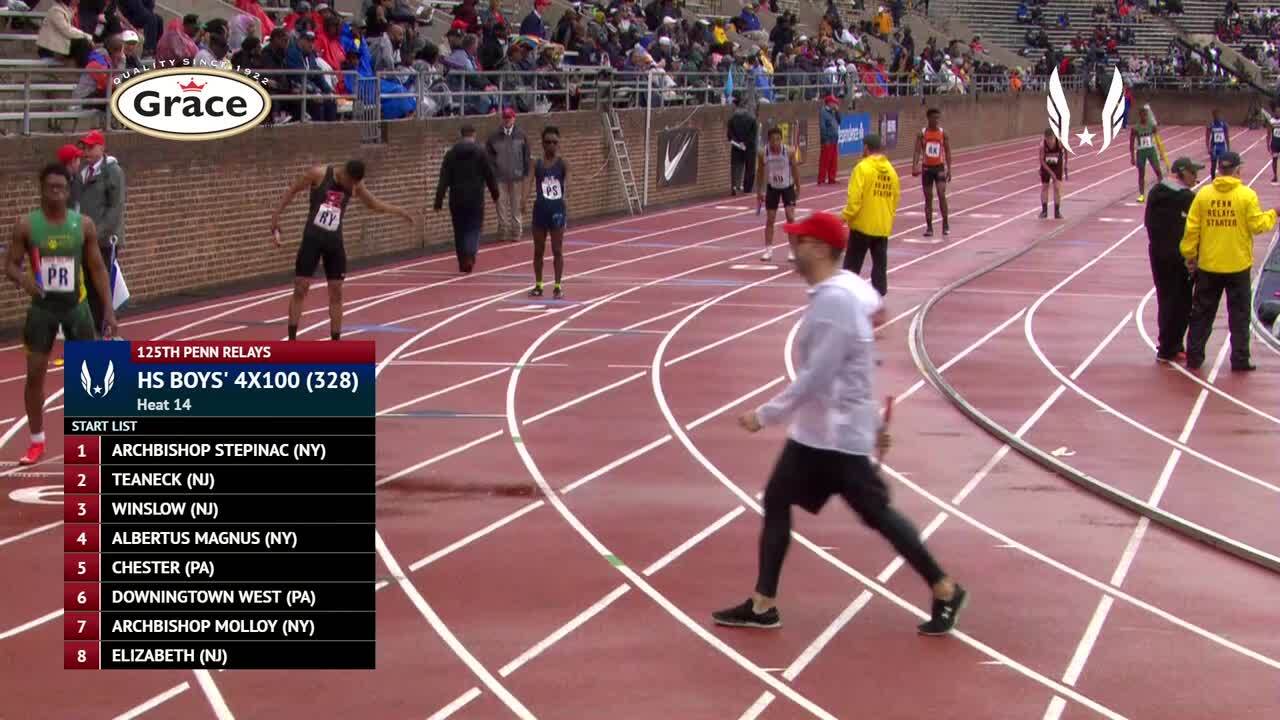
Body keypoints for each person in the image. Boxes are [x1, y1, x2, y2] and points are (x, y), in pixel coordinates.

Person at [712, 210, 967, 635]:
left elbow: (819, 375)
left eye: (799, 242)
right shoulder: (846, 290)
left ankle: (944, 588)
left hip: (835, 436)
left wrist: (765, 415)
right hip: (821, 433)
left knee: (877, 514)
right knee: (778, 497)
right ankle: (763, 603)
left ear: (820, 248)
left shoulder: (835, 301)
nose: (793, 250)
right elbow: (864, 344)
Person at [6, 164, 117, 465]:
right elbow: (11, 265)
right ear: (41, 189)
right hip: (42, 309)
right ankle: (37, 441)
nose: (55, 193)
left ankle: (90, 441)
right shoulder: (26, 226)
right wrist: (23, 279)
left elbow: (97, 269)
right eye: (50, 187)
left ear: (68, 192)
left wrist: (108, 310)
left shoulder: (83, 225)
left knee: (91, 376)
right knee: (34, 375)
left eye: (61, 188)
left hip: (76, 307)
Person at [271, 159, 414, 340]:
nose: (352, 188)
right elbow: (293, 190)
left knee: (336, 291)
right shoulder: (319, 174)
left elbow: (374, 204)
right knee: (301, 287)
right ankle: (292, 338)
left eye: (355, 184)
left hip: (334, 242)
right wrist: (276, 217)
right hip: (312, 239)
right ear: (344, 172)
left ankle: (335, 342)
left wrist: (400, 211)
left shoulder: (355, 185)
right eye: (350, 183)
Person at [1181, 151, 1275, 372]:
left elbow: (1192, 229)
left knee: (1202, 313)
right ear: (1237, 170)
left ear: (1219, 169)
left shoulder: (1203, 195)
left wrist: (1189, 255)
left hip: (1209, 265)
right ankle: (1240, 359)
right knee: (1240, 316)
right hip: (1238, 266)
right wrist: (1273, 214)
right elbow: (1257, 225)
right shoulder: (1246, 195)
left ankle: (1194, 356)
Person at [1145, 157, 1201, 363]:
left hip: (1157, 254)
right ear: (1181, 172)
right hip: (1179, 259)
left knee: (1165, 298)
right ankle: (1170, 347)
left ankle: (1168, 344)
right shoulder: (1186, 198)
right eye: (1193, 173)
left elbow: (1148, 223)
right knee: (1181, 302)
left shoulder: (1155, 192)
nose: (1196, 177)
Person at [75, 129, 126, 336]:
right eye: (84, 147)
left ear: (102, 147)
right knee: (85, 284)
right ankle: (91, 327)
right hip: (83, 238)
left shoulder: (112, 172)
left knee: (100, 285)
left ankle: (101, 326)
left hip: (103, 241)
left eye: (90, 147)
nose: (86, 151)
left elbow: (115, 208)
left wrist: (97, 234)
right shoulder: (83, 172)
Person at [435, 126, 500, 273]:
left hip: (456, 198)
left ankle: (462, 259)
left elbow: (443, 179)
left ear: (461, 135)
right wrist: (495, 194)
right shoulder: (481, 153)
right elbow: (489, 175)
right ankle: (470, 255)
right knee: (474, 228)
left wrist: (438, 200)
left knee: (459, 230)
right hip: (475, 198)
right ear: (474, 135)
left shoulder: (450, 155)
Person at [842, 134, 900, 297]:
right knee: (880, 267)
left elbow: (854, 200)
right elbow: (895, 200)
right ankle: (878, 300)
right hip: (882, 227)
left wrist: (845, 216)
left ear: (866, 148)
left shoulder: (862, 168)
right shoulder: (891, 171)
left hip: (862, 226)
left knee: (851, 268)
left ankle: (845, 297)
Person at [529, 126, 568, 298]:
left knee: (557, 249)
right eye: (548, 142)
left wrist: (567, 198)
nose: (551, 145)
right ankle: (538, 285)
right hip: (540, 211)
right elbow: (528, 181)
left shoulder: (563, 164)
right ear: (542, 144)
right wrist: (523, 199)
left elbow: (569, 182)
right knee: (538, 250)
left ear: (558, 144)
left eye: (554, 142)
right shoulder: (536, 164)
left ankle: (558, 286)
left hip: (557, 211)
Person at [486, 107, 532, 242]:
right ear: (502, 119)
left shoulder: (521, 135)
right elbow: (489, 157)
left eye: (509, 118)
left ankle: (516, 232)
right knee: (500, 206)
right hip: (500, 177)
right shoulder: (494, 136)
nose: (507, 120)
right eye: (505, 118)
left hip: (517, 177)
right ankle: (502, 232)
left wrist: (525, 173)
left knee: (516, 206)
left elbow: (526, 155)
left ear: (514, 118)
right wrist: (493, 173)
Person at [757, 127, 801, 263]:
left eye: (777, 140)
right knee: (770, 219)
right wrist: (759, 190)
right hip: (772, 188)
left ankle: (793, 250)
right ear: (768, 141)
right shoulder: (763, 152)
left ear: (781, 140)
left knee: (790, 217)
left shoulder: (789, 152)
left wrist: (798, 186)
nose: (775, 143)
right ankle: (768, 250)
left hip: (787, 187)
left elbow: (795, 169)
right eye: (772, 140)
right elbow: (760, 171)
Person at [911, 108, 951, 237]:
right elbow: (917, 151)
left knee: (941, 194)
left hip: (939, 168)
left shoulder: (943, 133)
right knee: (928, 198)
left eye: (938, 118)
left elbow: (948, 151)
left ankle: (945, 223)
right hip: (927, 168)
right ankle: (929, 227)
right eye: (934, 118)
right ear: (928, 118)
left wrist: (949, 169)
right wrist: (915, 166)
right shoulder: (922, 134)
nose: (936, 121)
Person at [1130, 105, 1166, 203]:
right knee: (1141, 173)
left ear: (1147, 115)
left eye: (1146, 115)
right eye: (1142, 115)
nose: (1144, 117)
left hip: (1151, 150)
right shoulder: (1135, 128)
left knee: (1158, 171)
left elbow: (1158, 139)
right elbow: (1131, 143)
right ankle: (1142, 194)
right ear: (1139, 116)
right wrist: (1132, 157)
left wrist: (1161, 153)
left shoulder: (1152, 126)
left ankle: (1162, 192)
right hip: (1141, 151)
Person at [1039, 128, 1067, 219]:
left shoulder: (1060, 143)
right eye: (1048, 140)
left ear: (1054, 137)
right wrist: (1051, 173)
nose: (1050, 142)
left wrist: (1065, 165)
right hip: (1046, 166)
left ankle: (1057, 212)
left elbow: (1066, 152)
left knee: (1057, 188)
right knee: (1044, 187)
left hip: (1057, 166)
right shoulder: (1042, 145)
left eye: (1051, 139)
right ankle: (1044, 211)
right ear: (1045, 138)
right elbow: (1042, 161)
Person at [817, 95, 840, 185]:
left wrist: (837, 112)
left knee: (833, 161)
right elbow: (822, 127)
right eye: (834, 103)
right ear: (829, 103)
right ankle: (821, 179)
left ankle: (832, 178)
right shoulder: (823, 112)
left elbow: (839, 120)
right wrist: (825, 139)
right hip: (827, 140)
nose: (835, 104)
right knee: (825, 160)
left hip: (834, 139)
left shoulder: (833, 112)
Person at [1206, 109, 1230, 179]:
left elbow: (1226, 136)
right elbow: (1207, 137)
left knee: (1222, 165)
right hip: (1214, 147)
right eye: (1216, 115)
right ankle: (1213, 180)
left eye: (1219, 115)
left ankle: (1221, 179)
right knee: (1213, 166)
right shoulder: (1211, 125)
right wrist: (1208, 148)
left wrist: (1228, 148)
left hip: (1222, 147)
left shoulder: (1224, 125)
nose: (1217, 117)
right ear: (1213, 116)